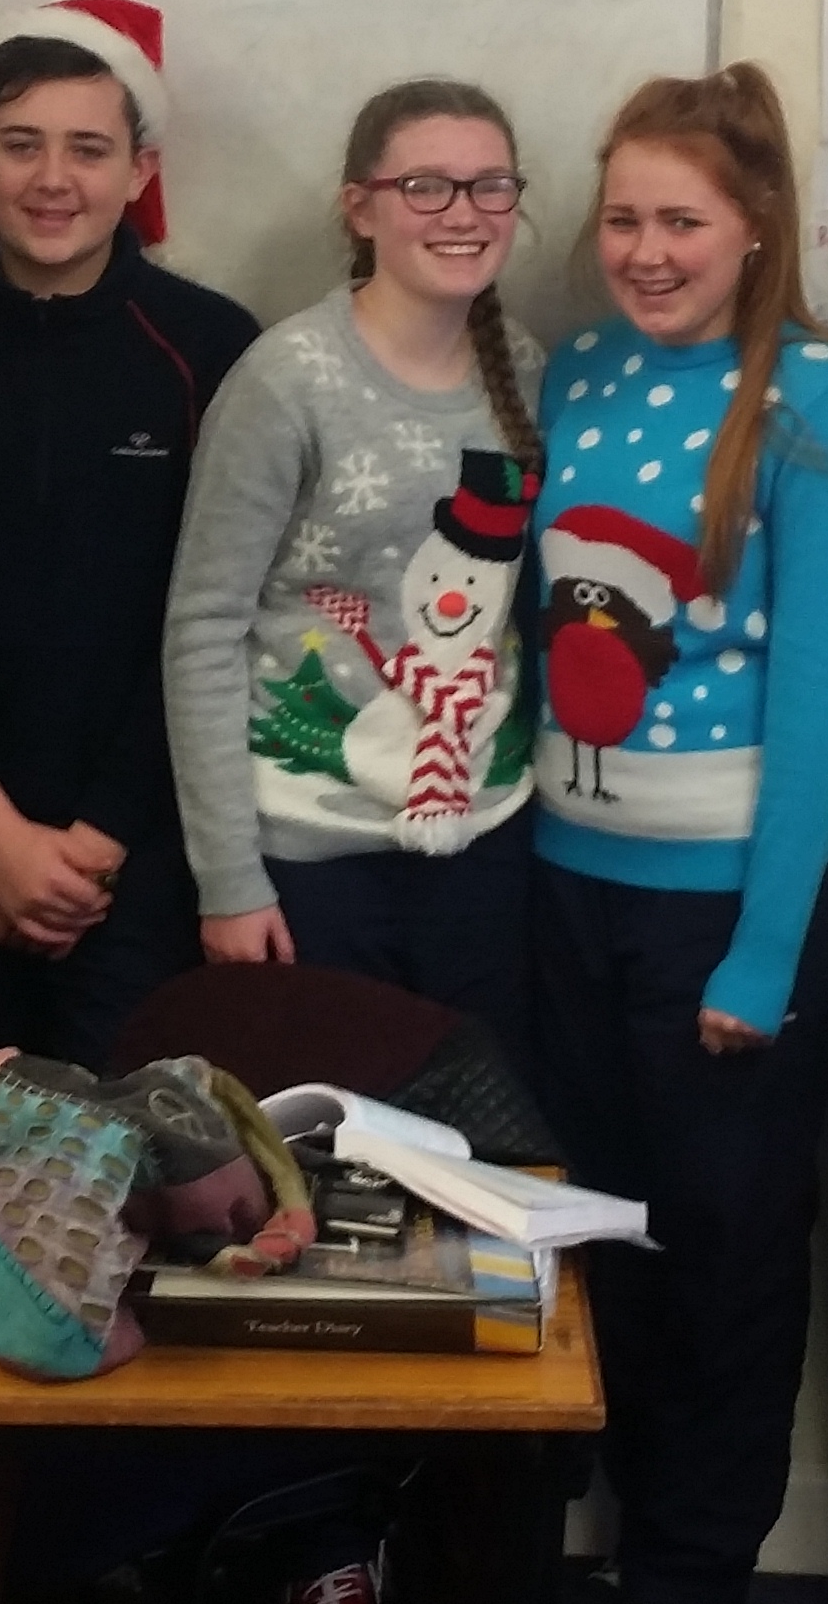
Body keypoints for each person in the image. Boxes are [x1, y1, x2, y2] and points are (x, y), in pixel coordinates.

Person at [526, 64, 828, 1604]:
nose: (648, 251)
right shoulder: (576, 369)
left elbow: (816, 705)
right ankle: (621, 1536)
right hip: (566, 889)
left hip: (728, 908)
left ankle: (695, 1576)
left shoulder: (811, 403)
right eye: (623, 218)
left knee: (725, 1246)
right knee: (600, 1229)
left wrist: (762, 952)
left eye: (682, 219)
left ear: (754, 228)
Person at [0, 0, 255, 1082]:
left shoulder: (212, 350)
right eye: (20, 144)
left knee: (133, 1155)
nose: (52, 179)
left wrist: (93, 847)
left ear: (138, 169)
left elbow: (218, 616)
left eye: (87, 149)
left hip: (140, 858)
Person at [160, 77, 548, 1057]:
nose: (462, 213)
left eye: (490, 185)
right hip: (315, 864)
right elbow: (203, 627)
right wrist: (228, 879)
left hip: (485, 848)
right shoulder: (286, 381)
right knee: (334, 1135)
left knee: (480, 1126)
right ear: (360, 208)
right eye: (425, 186)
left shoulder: (528, 371)